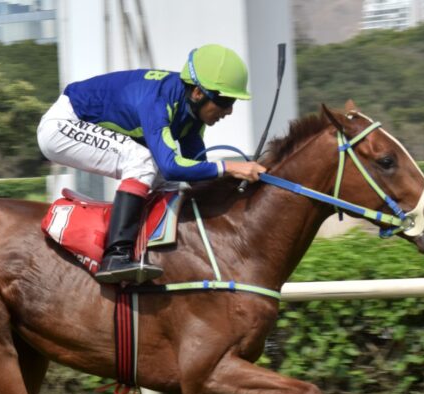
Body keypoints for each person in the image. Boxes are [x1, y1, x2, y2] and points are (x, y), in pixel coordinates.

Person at [37, 44, 267, 284]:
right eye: (225, 100)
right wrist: (231, 167)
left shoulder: (190, 114)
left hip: (79, 126)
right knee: (144, 161)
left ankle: (154, 252)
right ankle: (116, 254)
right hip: (61, 126)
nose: (229, 111)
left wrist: (238, 183)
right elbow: (171, 165)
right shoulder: (158, 101)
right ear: (198, 93)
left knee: (168, 182)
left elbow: (195, 176)